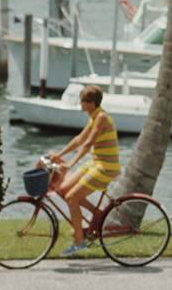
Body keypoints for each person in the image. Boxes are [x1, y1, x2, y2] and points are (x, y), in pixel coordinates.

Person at [45, 85, 120, 257]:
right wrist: (59, 154)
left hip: (105, 167)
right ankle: (96, 214)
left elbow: (88, 144)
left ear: (92, 103)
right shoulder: (94, 116)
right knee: (63, 190)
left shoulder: (101, 117)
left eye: (83, 101)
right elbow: (79, 139)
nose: (80, 104)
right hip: (95, 163)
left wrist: (70, 164)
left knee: (72, 197)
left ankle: (79, 242)